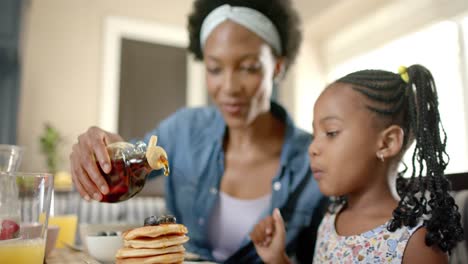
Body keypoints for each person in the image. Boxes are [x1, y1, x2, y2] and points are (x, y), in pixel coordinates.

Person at [69, 0, 326, 262]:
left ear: (278, 67)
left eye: (249, 67)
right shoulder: (183, 130)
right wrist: (98, 154)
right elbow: (126, 166)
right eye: (214, 68)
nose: (229, 87)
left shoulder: (314, 161)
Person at [250, 65, 464, 263]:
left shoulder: (417, 244)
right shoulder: (330, 220)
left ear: (387, 143)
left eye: (331, 133)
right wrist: (278, 258)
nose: (312, 148)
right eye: (315, 134)